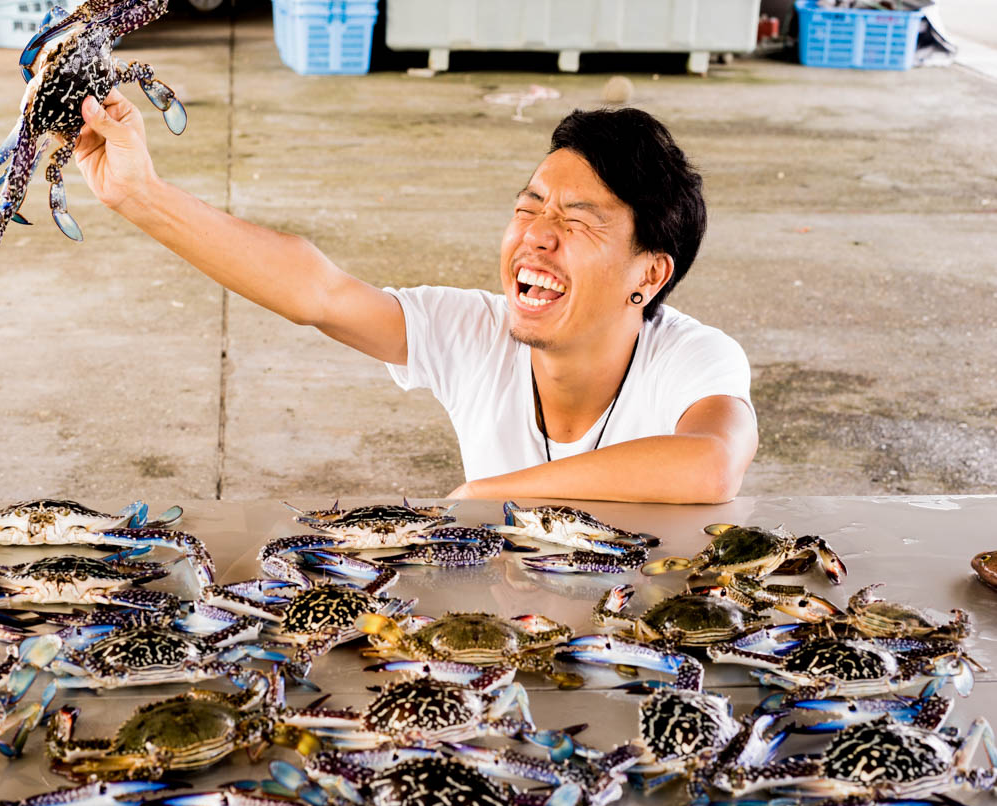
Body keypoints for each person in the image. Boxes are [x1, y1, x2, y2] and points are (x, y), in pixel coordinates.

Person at [74, 92, 757, 503]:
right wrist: (141, 195)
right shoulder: (474, 331)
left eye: (577, 221)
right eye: (529, 207)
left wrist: (484, 499)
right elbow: (318, 292)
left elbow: (713, 462)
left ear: (649, 276)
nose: (536, 238)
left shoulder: (693, 358)